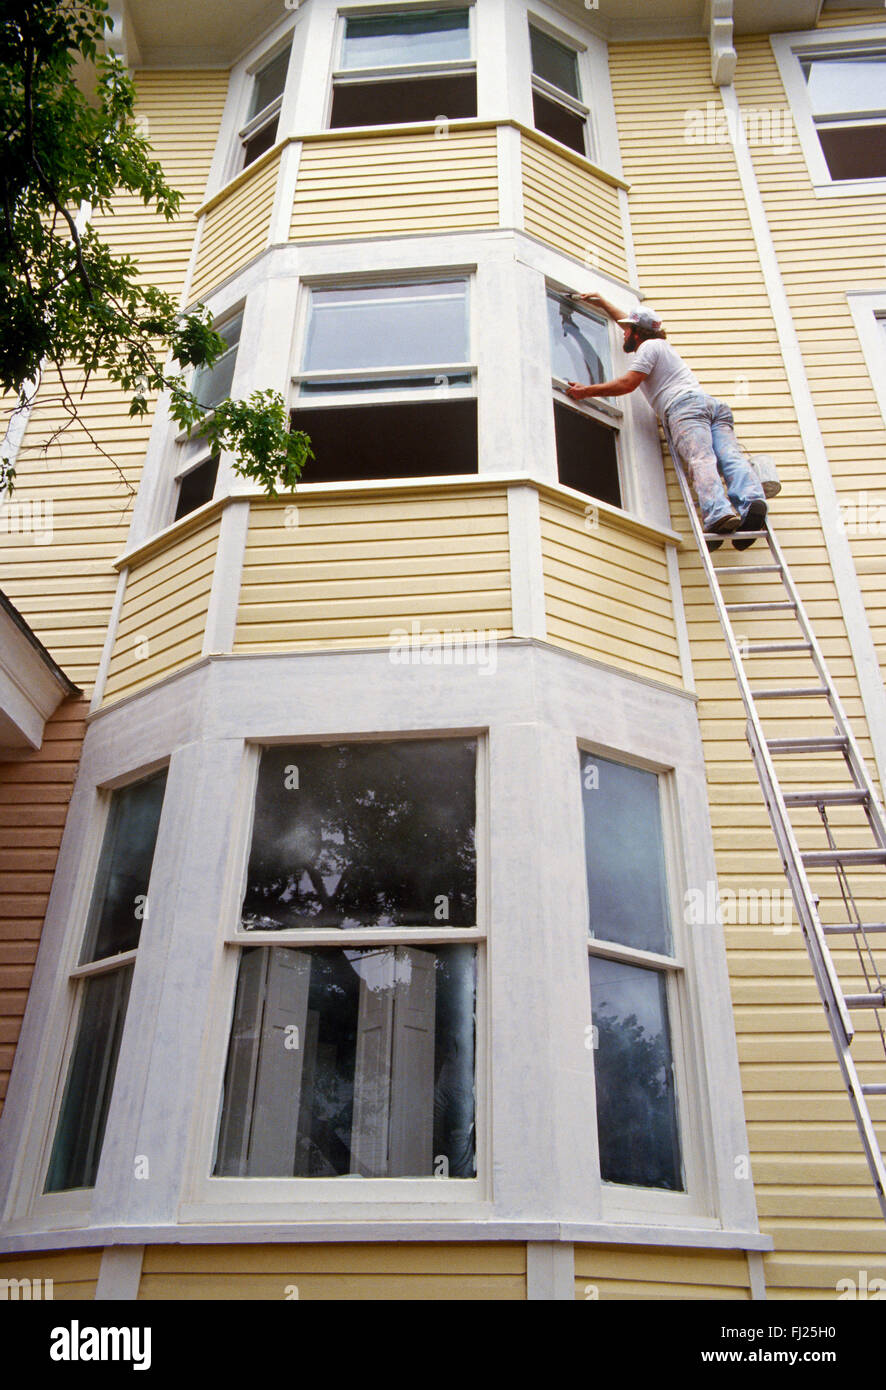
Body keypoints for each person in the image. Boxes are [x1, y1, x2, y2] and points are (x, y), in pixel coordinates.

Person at [566, 294, 767, 550]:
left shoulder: (648, 348)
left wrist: (586, 392)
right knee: (730, 458)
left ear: (637, 334)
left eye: (628, 331)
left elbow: (628, 384)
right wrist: (605, 304)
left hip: (685, 407)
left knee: (701, 458)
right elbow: (631, 324)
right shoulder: (659, 346)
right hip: (712, 405)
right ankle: (752, 503)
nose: (624, 335)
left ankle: (718, 514)